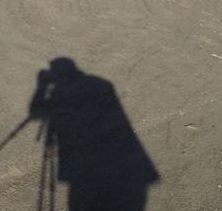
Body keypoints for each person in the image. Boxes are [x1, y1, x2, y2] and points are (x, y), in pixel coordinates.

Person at [28, 58, 159, 211]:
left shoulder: (59, 91)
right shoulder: (102, 84)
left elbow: (36, 113)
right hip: (117, 163)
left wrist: (42, 86)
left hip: (84, 166)